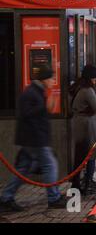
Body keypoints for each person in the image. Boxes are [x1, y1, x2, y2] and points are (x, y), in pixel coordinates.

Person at [0, 64, 66, 212]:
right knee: (50, 165)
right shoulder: (31, 93)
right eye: (51, 78)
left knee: (22, 169)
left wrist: (45, 107)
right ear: (44, 79)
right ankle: (53, 198)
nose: (52, 81)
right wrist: (45, 106)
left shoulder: (38, 91)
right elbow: (26, 114)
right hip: (34, 139)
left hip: (32, 138)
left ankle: (6, 198)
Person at [69, 65, 96, 195]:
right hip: (86, 124)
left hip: (80, 122)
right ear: (91, 78)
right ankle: (87, 183)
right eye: (95, 78)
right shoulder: (88, 90)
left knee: (80, 155)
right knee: (91, 152)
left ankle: (77, 183)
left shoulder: (78, 87)